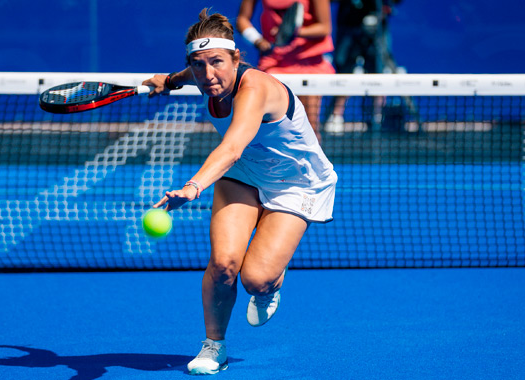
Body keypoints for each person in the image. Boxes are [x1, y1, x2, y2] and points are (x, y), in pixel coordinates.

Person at [143, 8, 337, 375]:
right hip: (245, 175)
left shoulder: (256, 89)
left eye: (217, 62)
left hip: (297, 183)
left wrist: (194, 185)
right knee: (223, 265)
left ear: (236, 58)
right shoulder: (204, 75)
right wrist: (168, 80)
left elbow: (232, 147)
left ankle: (269, 285)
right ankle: (214, 347)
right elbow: (194, 71)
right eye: (198, 65)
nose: (207, 74)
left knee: (256, 278)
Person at [236, 0, 335, 142]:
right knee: (275, 128)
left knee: (309, 130)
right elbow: (242, 19)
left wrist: (291, 32)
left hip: (308, 61)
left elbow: (324, 27)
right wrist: (258, 41)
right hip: (274, 62)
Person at [323, 0, 401, 134]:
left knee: (378, 72)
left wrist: (383, 9)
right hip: (348, 23)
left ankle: (377, 117)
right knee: (345, 72)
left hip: (377, 25)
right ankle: (336, 116)